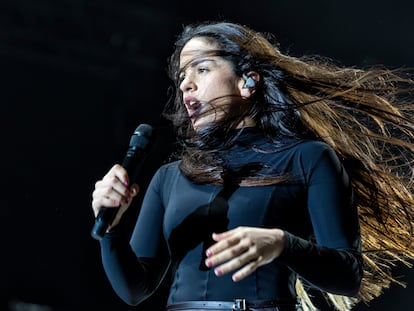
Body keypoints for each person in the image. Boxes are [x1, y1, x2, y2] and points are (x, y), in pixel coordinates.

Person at [91, 21, 414, 311]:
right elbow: (135, 291)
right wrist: (113, 229)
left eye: (200, 69)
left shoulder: (307, 158)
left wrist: (282, 244)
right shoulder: (170, 177)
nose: (186, 84)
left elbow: (347, 277)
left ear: (248, 81)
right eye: (181, 76)